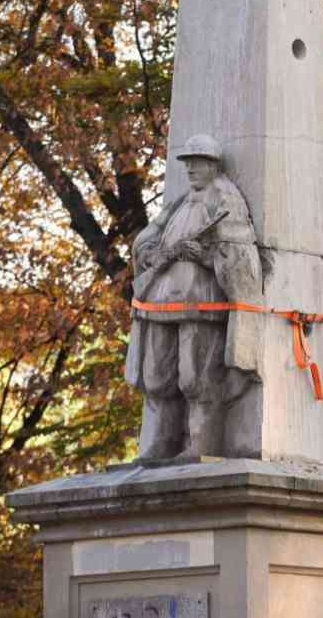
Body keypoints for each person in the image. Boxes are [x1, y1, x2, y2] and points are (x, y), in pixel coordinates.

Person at [125, 133, 263, 459]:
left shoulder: (225, 200)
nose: (190, 169)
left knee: (196, 377)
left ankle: (200, 443)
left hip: (202, 303)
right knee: (157, 374)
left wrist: (203, 254)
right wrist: (161, 253)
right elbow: (146, 244)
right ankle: (161, 442)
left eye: (197, 162)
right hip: (159, 303)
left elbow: (238, 256)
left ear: (213, 165)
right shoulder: (179, 202)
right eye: (187, 163)